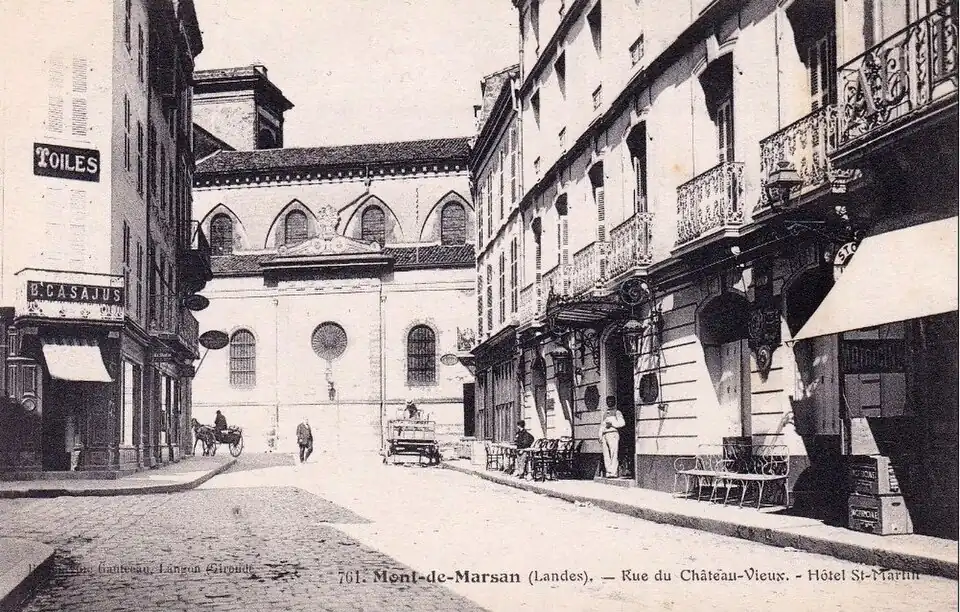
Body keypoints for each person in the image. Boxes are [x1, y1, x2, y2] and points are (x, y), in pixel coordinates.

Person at [599, 396, 625, 478]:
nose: (609, 402)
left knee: (613, 453)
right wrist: (600, 435)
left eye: (611, 401)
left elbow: (622, 423)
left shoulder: (617, 412)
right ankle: (608, 471)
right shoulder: (605, 414)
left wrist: (613, 424)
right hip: (604, 434)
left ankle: (613, 472)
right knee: (606, 454)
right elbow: (602, 425)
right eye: (608, 401)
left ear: (614, 402)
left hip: (613, 433)